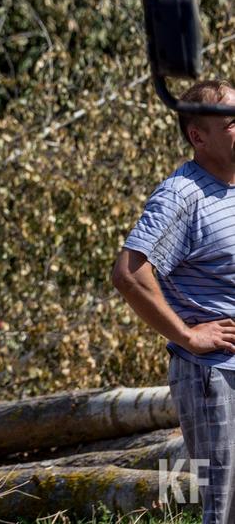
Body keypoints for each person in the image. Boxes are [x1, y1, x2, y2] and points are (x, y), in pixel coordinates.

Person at [113, 80, 235, 524]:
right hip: (213, 378)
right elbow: (129, 274)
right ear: (198, 137)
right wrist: (187, 334)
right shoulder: (183, 196)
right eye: (233, 122)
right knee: (221, 507)